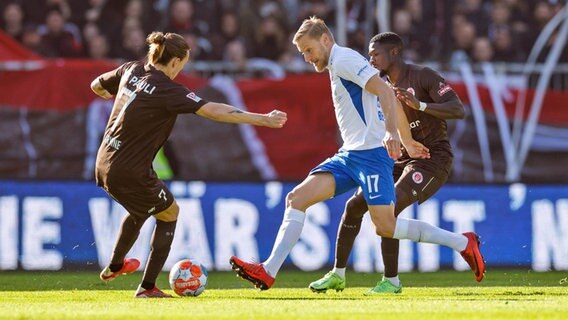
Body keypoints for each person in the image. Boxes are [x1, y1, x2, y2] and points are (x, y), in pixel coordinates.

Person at [229, 17, 484, 291]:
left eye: (309, 50)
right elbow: (388, 95)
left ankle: (461, 242)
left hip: (371, 156)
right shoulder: (337, 63)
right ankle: (268, 271)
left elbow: (385, 91)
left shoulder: (344, 60)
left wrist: (392, 134)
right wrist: (406, 140)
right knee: (297, 198)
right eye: (302, 53)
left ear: (325, 40)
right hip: (349, 155)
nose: (306, 57)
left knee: (385, 225)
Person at [90, 31, 287, 298]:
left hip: (103, 162)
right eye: (182, 64)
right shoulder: (168, 89)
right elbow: (213, 110)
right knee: (169, 213)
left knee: (140, 211)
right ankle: (147, 288)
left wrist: (111, 94)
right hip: (130, 170)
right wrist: (262, 119)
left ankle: (115, 265)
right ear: (175, 62)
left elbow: (96, 86)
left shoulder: (131, 69)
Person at [309, 31, 479, 295]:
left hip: (432, 159)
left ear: (394, 53)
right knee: (354, 206)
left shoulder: (423, 76)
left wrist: (421, 105)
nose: (371, 59)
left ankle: (393, 280)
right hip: (399, 157)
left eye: (376, 54)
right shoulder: (378, 82)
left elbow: (458, 109)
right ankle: (337, 274)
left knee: (388, 211)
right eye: (369, 54)